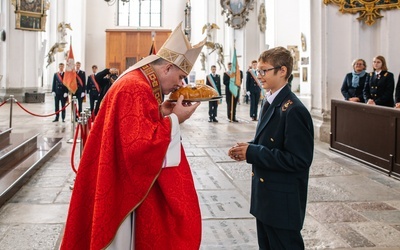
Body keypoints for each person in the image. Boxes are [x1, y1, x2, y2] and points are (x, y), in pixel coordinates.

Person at [61, 23, 205, 250]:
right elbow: (138, 148)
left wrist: (162, 112)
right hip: (117, 184)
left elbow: (132, 128)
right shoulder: (136, 87)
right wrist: (176, 120)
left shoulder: (139, 82)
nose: (180, 84)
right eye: (180, 76)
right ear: (166, 68)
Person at [228, 46, 314, 249]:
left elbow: (299, 160)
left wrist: (254, 152)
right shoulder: (270, 101)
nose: (259, 76)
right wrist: (247, 148)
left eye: (264, 71)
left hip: (282, 203)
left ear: (282, 71)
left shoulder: (293, 110)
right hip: (266, 199)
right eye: (258, 71)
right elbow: (269, 142)